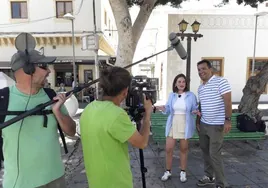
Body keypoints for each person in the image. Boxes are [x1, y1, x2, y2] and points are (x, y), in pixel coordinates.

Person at [1, 50, 76, 188]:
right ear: (28, 69)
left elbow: (71, 131)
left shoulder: (50, 96)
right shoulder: (3, 99)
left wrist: (57, 111)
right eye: (43, 66)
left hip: (56, 179)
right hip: (20, 184)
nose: (49, 71)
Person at [80, 66, 152, 188]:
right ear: (124, 92)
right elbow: (142, 143)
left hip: (96, 181)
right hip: (115, 182)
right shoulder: (117, 115)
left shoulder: (89, 109)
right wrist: (147, 115)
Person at [156, 73, 199, 183]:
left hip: (185, 123)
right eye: (179, 81)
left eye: (183, 82)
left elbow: (194, 108)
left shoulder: (191, 95)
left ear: (186, 84)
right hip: (173, 123)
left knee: (183, 149)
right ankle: (168, 171)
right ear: (175, 83)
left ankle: (183, 172)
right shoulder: (172, 95)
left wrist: (195, 111)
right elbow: (168, 109)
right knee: (169, 149)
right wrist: (162, 108)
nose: (181, 84)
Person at [196, 60, 232, 188]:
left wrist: (228, 119)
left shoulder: (221, 82)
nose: (201, 72)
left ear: (210, 69)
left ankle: (221, 184)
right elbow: (201, 105)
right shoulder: (201, 87)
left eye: (203, 69)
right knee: (205, 151)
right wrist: (198, 121)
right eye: (199, 70)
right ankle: (209, 176)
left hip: (217, 126)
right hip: (204, 124)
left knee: (214, 154)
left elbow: (228, 102)